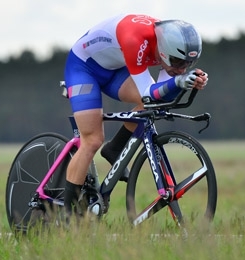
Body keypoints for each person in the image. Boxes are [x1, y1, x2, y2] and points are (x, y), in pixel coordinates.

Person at [62, 14, 209, 219]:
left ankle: (115, 148)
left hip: (115, 69)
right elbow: (150, 92)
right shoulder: (135, 40)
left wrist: (188, 81)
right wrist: (178, 81)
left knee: (154, 103)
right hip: (83, 68)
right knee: (92, 140)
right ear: (164, 50)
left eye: (188, 64)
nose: (181, 69)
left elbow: (160, 96)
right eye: (177, 62)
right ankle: (64, 215)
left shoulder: (167, 41)